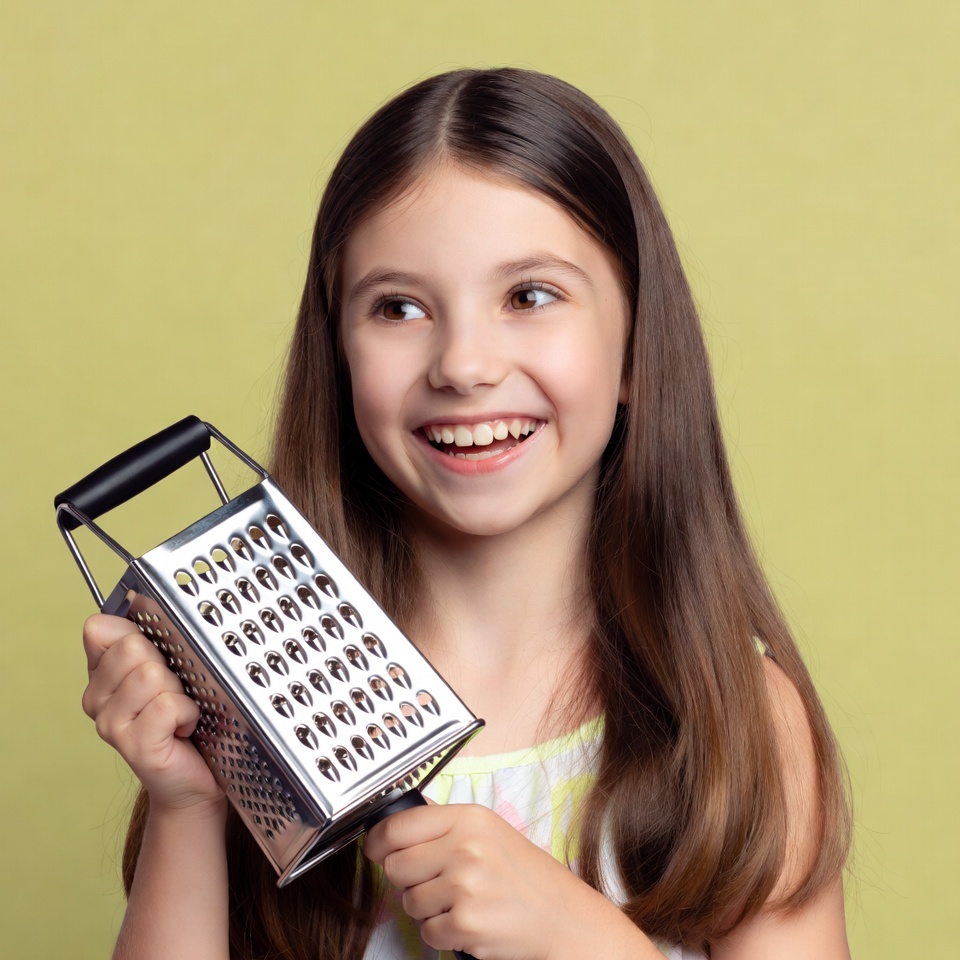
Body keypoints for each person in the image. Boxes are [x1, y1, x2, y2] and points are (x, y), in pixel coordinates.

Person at [80, 68, 851, 960]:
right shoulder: (255, 696)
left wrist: (587, 943)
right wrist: (186, 803)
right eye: (398, 307)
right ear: (338, 358)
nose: (465, 364)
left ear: (637, 348)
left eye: (529, 296)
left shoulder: (735, 716)